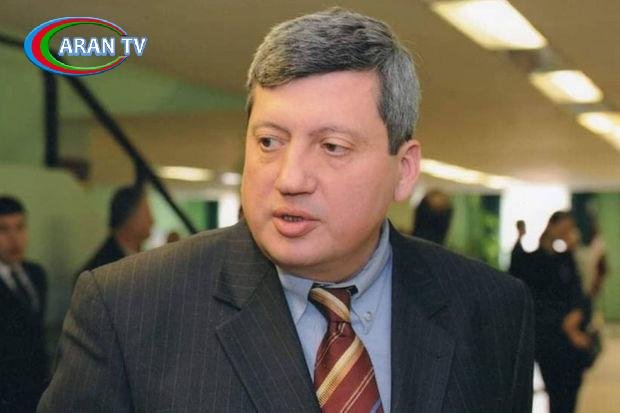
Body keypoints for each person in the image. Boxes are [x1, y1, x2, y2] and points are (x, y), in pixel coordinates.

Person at [39, 8, 534, 412]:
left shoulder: (492, 311)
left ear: (403, 170)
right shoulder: (127, 309)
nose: (290, 179)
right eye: (269, 142)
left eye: (332, 146)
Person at [511, 211, 593, 413]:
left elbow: (579, 292)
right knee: (556, 391)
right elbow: (526, 291)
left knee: (570, 391)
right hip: (549, 338)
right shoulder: (532, 261)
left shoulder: (567, 259)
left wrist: (576, 316)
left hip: (570, 340)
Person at [0, 196, 49, 411]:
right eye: (3, 230)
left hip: (38, 390)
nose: (14, 239)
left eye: (20, 228)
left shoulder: (36, 274)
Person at [77, 184, 153, 275]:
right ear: (128, 218)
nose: (152, 220)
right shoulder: (99, 271)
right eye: (146, 214)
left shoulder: (141, 257)